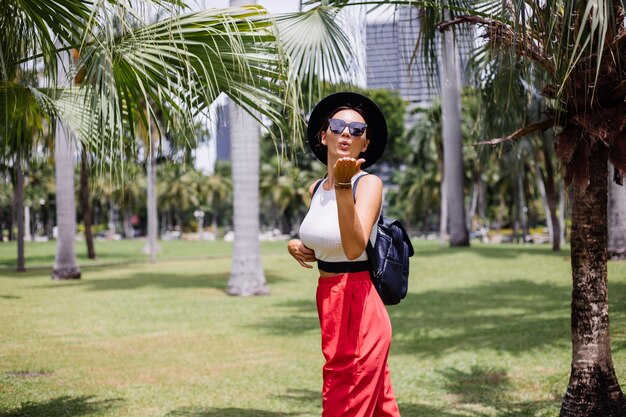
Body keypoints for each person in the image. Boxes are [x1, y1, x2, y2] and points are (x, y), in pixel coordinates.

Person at [288, 92, 401, 417]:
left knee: (344, 402)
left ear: (365, 144)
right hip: (329, 300)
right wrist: (294, 245)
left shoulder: (367, 185)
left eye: (357, 130)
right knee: (379, 408)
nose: (346, 133)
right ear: (323, 135)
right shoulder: (315, 188)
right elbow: (323, 237)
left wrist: (342, 185)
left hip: (359, 304)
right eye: (338, 126)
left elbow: (353, 246)